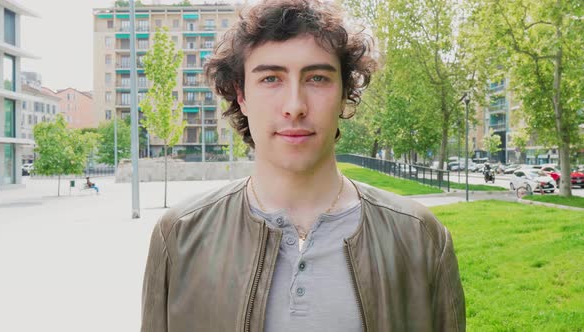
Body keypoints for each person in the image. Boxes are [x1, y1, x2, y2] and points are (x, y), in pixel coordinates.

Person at [141, 1, 465, 331]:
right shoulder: (180, 235)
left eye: (317, 78)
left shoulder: (420, 237)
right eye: (270, 78)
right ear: (241, 96)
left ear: (344, 94)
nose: (295, 106)